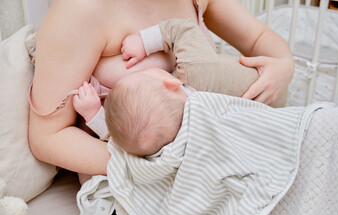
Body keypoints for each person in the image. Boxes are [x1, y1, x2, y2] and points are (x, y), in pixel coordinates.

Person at [29, 0, 294, 177]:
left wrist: (284, 67)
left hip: (221, 155)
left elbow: (259, 38)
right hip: (137, 177)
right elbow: (48, 137)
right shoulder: (81, 10)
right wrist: (161, 164)